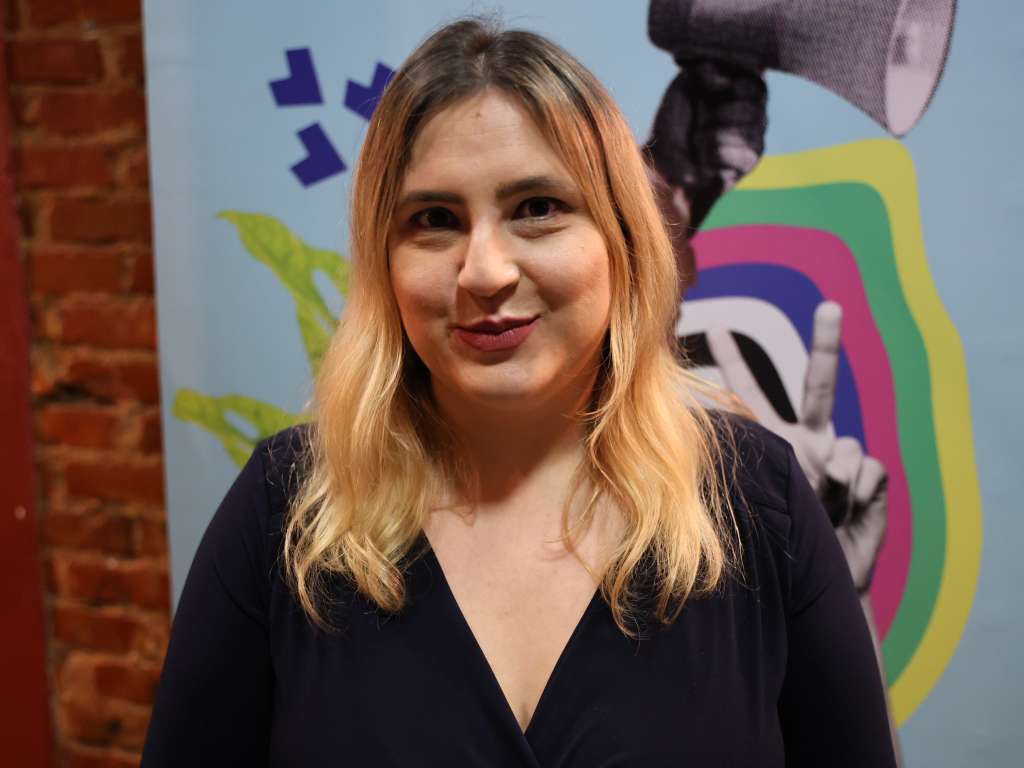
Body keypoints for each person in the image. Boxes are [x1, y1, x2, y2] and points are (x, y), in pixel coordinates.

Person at [141, 18, 896, 767]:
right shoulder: (285, 512)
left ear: (622, 238)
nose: (485, 272)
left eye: (537, 208)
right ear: (384, 263)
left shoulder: (757, 501)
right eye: (434, 220)